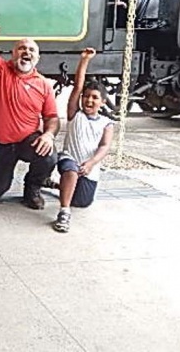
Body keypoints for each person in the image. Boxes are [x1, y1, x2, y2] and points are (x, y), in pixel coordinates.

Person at [0, 6, 59, 209]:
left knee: (48, 155)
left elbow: (52, 118)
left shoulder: (44, 84)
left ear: (37, 58)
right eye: (22, 48)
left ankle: (33, 188)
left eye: (31, 50)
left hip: (26, 141)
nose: (26, 52)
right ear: (13, 54)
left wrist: (48, 135)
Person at [53, 48, 114, 233]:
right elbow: (78, 87)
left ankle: (57, 185)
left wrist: (91, 163)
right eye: (87, 96)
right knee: (71, 171)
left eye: (95, 98)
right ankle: (64, 212)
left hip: (88, 167)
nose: (89, 100)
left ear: (102, 102)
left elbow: (105, 146)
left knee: (81, 202)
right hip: (69, 159)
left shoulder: (106, 123)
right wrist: (84, 60)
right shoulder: (75, 115)